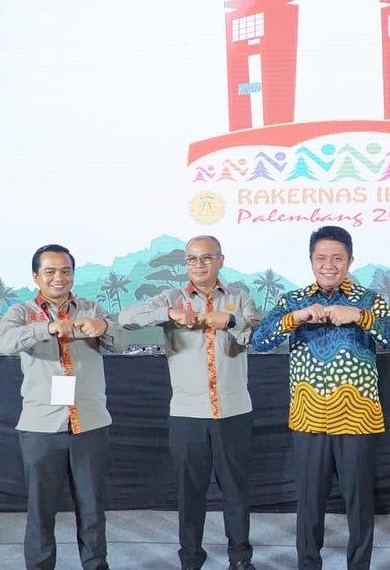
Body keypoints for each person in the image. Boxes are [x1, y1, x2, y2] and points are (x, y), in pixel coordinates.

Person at [251, 226, 390, 570]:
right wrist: (295, 318)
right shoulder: (293, 300)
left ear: (350, 260)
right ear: (311, 260)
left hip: (358, 418)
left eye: (337, 258)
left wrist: (360, 317)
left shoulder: (368, 300)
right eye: (321, 258)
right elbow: (259, 340)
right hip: (308, 418)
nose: (329, 265)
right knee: (309, 504)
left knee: (359, 503)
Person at [118, 236, 260, 570]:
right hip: (187, 414)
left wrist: (230, 321)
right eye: (192, 259)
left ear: (220, 260)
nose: (199, 264)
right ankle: (191, 559)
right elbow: (125, 317)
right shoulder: (172, 298)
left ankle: (240, 558)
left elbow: (259, 332)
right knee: (190, 493)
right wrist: (168, 313)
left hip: (234, 411)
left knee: (236, 491)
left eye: (206, 257)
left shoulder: (239, 298)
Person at [0, 244, 126, 570]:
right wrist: (48, 328)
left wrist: (104, 328)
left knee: (92, 508)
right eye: (50, 271)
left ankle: (96, 565)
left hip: (90, 424)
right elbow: (4, 342)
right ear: (35, 276)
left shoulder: (92, 309)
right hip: (41, 427)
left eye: (66, 271)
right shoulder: (21, 312)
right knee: (41, 510)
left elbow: (123, 342)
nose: (59, 277)